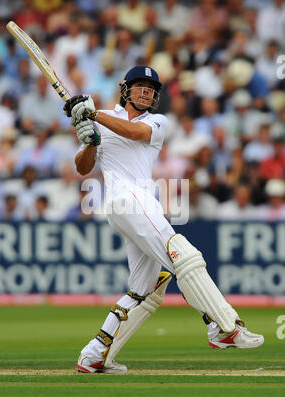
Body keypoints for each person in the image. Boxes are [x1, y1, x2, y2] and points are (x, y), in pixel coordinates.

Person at [64, 65, 264, 374]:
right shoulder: (101, 117)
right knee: (183, 255)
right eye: (139, 86)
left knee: (143, 289)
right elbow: (82, 167)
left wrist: (93, 116)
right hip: (125, 200)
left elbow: (134, 133)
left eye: (150, 88)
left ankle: (94, 355)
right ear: (125, 89)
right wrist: (90, 141)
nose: (145, 91)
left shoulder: (157, 122)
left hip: (138, 204)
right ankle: (225, 327)